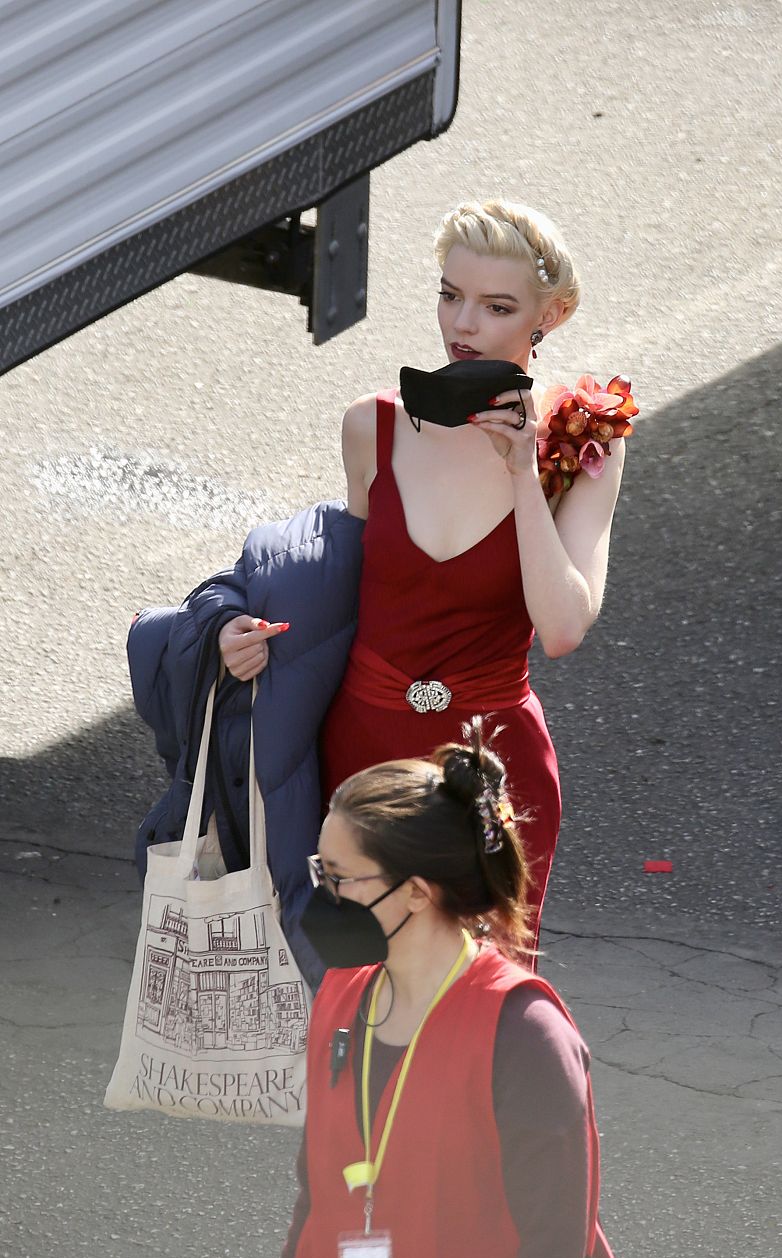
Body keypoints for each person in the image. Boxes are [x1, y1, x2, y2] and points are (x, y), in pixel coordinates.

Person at [220, 199, 631, 945]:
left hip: (492, 771)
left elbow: (564, 627)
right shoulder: (371, 425)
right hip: (361, 753)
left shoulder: (581, 442)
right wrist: (236, 633)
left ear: (552, 314)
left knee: (474, 1011)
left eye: (496, 306)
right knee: (351, 990)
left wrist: (520, 475)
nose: (462, 324)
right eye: (449, 295)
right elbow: (327, 593)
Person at [237, 722, 664, 1258]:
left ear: (416, 891)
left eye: (339, 877)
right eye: (321, 870)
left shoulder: (525, 1036)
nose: (321, 896)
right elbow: (315, 1201)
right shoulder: (342, 998)